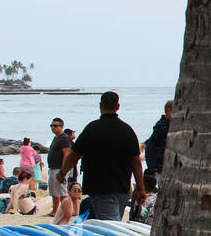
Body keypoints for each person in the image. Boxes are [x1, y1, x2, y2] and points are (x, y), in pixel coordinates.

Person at [60, 91, 146, 221]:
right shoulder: (127, 130)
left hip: (100, 186)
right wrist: (141, 188)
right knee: (112, 221)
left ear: (100, 105)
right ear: (118, 106)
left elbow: (74, 155)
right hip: (122, 187)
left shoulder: (92, 128)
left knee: (111, 224)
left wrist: (62, 173)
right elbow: (136, 162)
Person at [48, 118, 74, 224]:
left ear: (61, 126)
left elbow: (66, 154)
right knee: (54, 191)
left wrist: (63, 171)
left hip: (59, 168)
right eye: (52, 126)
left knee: (62, 191)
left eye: (55, 126)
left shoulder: (64, 138)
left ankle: (66, 211)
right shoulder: (56, 138)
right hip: (53, 167)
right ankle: (55, 210)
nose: (53, 128)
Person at [145, 99, 172, 175]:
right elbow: (157, 139)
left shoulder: (164, 125)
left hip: (163, 166)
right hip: (160, 167)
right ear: (169, 111)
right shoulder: (162, 126)